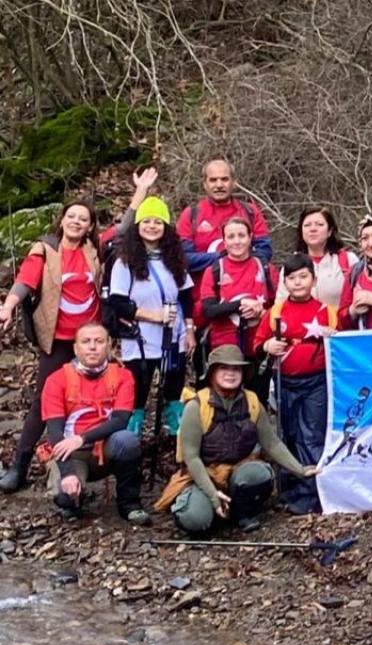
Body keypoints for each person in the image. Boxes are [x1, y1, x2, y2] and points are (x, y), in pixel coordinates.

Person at [154, 345, 317, 535]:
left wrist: (300, 470)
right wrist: (212, 495)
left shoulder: (252, 402)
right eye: (224, 368)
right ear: (212, 373)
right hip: (202, 475)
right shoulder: (197, 406)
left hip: (238, 472)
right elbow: (191, 458)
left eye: (236, 369)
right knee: (195, 519)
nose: (230, 374)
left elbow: (272, 444)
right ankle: (211, 509)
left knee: (258, 474)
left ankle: (241, 512)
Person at [0, 199, 101, 493]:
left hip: (89, 342)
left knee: (87, 399)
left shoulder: (94, 250)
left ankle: (79, 465)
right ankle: (20, 465)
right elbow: (25, 281)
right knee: (44, 401)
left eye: (83, 218)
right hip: (57, 340)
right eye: (72, 216)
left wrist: (141, 190)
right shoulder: (46, 249)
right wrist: (8, 306)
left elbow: (124, 229)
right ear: (62, 219)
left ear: (90, 226)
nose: (76, 222)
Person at [256, 254, 338, 514]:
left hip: (317, 383)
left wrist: (334, 337)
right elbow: (257, 344)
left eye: (303, 276)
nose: (298, 282)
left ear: (314, 280)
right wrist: (267, 346)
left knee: (311, 435)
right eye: (292, 278)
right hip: (285, 382)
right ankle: (287, 492)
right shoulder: (276, 312)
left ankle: (312, 494)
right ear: (285, 283)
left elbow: (343, 347)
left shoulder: (327, 312)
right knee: (287, 434)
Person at [107, 196, 196, 437]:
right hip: (140, 337)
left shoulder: (174, 258)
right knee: (139, 385)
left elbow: (186, 295)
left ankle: (175, 430)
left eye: (158, 222)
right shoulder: (125, 262)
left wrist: (189, 330)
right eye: (147, 221)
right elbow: (117, 301)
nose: (152, 226)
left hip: (174, 334)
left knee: (174, 382)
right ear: (138, 225)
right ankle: (131, 434)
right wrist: (153, 316)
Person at [41, 323, 147, 524]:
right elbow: (54, 432)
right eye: (86, 341)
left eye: (99, 341)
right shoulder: (57, 379)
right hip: (71, 453)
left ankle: (130, 504)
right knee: (65, 497)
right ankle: (74, 499)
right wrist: (67, 473)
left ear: (109, 346)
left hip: (106, 448)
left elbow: (120, 420)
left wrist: (82, 438)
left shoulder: (123, 376)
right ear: (75, 348)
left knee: (128, 440)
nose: (92, 347)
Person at [197, 217, 278, 401]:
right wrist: (240, 304)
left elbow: (279, 308)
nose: (236, 241)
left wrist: (261, 312)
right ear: (224, 241)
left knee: (257, 401)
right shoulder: (215, 270)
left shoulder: (265, 268)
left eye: (241, 235)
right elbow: (209, 310)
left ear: (250, 237)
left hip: (258, 347)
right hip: (225, 348)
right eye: (231, 236)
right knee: (224, 401)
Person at [176, 158, 272, 274]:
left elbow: (265, 251)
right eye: (213, 180)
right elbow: (183, 258)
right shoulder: (191, 215)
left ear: (234, 182)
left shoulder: (251, 211)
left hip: (245, 283)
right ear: (205, 184)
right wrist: (226, 256)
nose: (219, 185)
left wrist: (236, 260)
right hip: (203, 285)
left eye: (224, 179)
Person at [287, 206, 358, 308]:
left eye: (319, 224)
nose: (313, 229)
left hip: (340, 318)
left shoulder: (349, 260)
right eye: (307, 225)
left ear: (329, 231)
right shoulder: (292, 263)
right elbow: (280, 307)